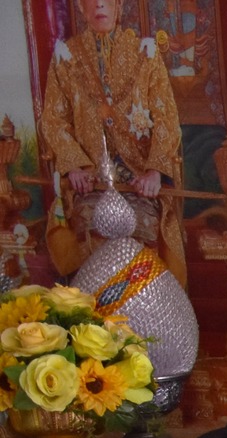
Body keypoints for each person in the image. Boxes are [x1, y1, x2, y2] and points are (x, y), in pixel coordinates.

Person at [38, 0, 185, 282]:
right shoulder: (65, 57)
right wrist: (74, 167)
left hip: (138, 181)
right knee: (90, 222)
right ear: (81, 8)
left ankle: (143, 304)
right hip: (90, 181)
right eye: (91, 0)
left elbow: (166, 119)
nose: (99, 4)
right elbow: (54, 121)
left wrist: (155, 172)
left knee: (140, 224)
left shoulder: (145, 53)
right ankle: (93, 306)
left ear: (119, 5)